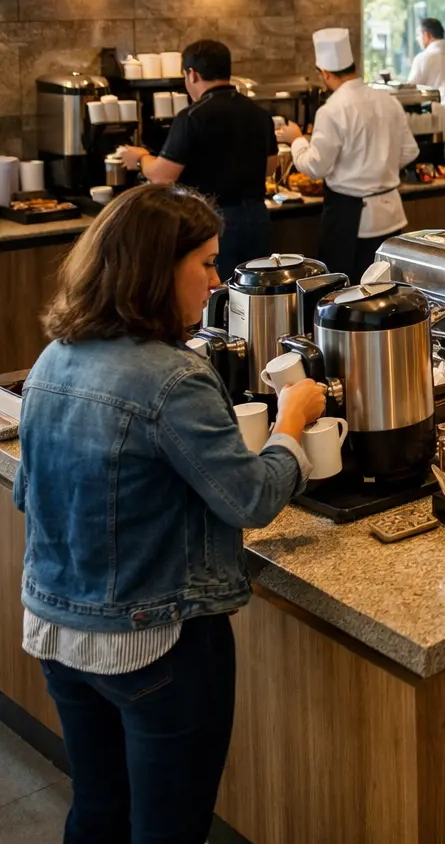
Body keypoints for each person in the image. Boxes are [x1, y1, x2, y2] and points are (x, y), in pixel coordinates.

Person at [16, 183, 327, 843]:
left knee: (97, 812)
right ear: (160, 271)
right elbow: (250, 497)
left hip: (57, 631)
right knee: (169, 830)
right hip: (153, 643)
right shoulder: (173, 377)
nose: (216, 283)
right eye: (207, 264)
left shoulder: (50, 361)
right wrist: (292, 424)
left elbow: (32, 495)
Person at [117, 40, 279, 280]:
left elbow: (163, 175)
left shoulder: (192, 116)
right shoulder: (258, 113)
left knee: (214, 296)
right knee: (252, 292)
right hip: (256, 217)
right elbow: (270, 167)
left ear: (191, 74)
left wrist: (140, 159)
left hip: (213, 220)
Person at [276, 28, 419, 281]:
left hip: (350, 217)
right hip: (391, 214)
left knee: (345, 294)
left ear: (326, 74)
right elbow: (410, 150)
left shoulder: (332, 109)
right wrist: (379, 167)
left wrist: (297, 139)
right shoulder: (387, 100)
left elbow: (316, 167)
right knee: (388, 289)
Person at [405, 17, 445, 96]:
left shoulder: (423, 58)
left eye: (418, 35)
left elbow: (410, 90)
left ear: (426, 35)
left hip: (431, 107)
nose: (417, 39)